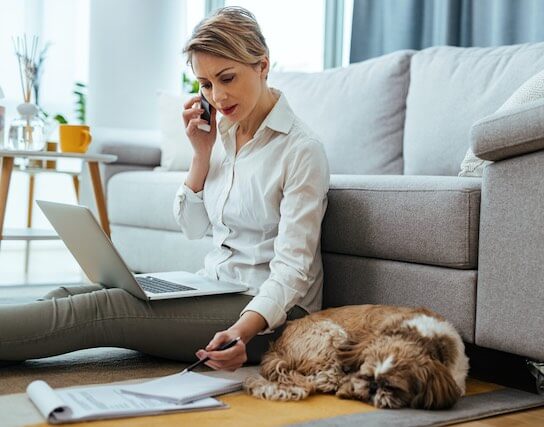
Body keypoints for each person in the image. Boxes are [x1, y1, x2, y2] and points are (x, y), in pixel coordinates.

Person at [0, 6, 330, 371]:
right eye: (206, 84)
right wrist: (201, 156)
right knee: (69, 295)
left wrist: (243, 330)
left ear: (263, 65)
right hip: (215, 287)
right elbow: (192, 228)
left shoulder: (301, 150)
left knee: (102, 309)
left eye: (227, 78)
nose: (218, 97)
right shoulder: (221, 134)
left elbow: (293, 272)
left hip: (269, 314)